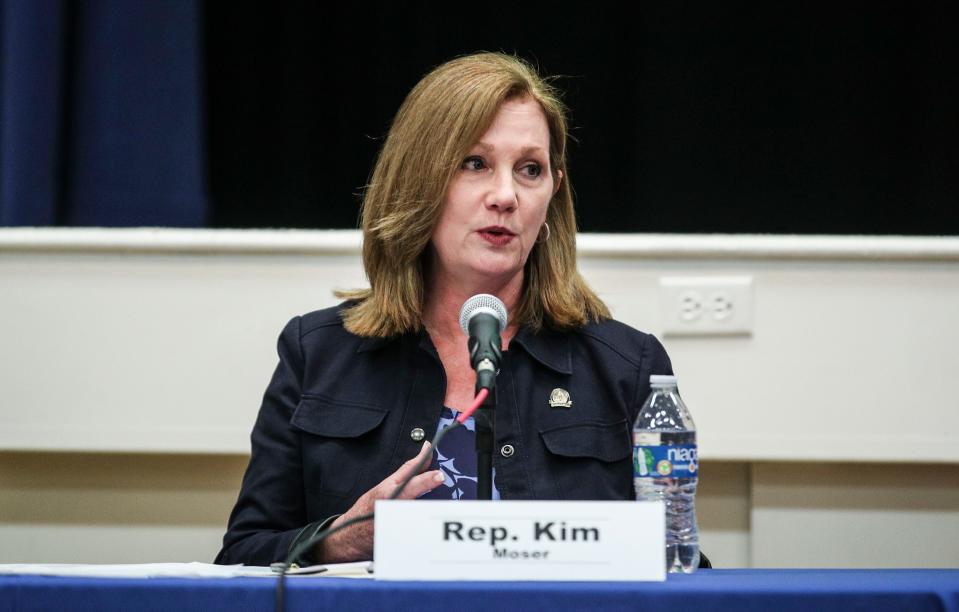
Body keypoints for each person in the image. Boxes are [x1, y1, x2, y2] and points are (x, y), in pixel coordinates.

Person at [215, 52, 676, 567]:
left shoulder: (626, 366)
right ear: (419, 181)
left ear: (553, 192)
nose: (505, 196)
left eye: (529, 169)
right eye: (474, 163)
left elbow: (676, 558)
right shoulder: (316, 353)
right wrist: (343, 537)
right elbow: (242, 557)